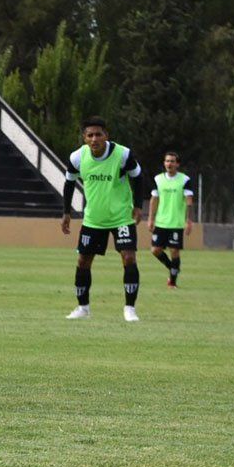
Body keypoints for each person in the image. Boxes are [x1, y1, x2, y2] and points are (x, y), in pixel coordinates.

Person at [61, 116, 146, 322]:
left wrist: (138, 206)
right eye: (89, 135)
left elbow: (138, 177)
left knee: (128, 258)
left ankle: (130, 309)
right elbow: (69, 183)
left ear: (106, 135)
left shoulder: (122, 154)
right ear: (84, 137)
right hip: (93, 220)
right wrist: (66, 212)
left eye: (98, 134)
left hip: (122, 218)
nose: (94, 139)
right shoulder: (77, 158)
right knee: (83, 261)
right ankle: (83, 308)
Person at [146, 151, 193, 288]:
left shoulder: (184, 180)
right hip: (161, 222)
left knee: (174, 251)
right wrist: (150, 218)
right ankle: (172, 267)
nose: (169, 164)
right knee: (155, 250)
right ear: (164, 163)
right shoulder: (158, 179)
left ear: (177, 164)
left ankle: (172, 281)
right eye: (167, 161)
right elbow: (154, 200)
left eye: (172, 161)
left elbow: (189, 200)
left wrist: (188, 221)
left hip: (176, 223)